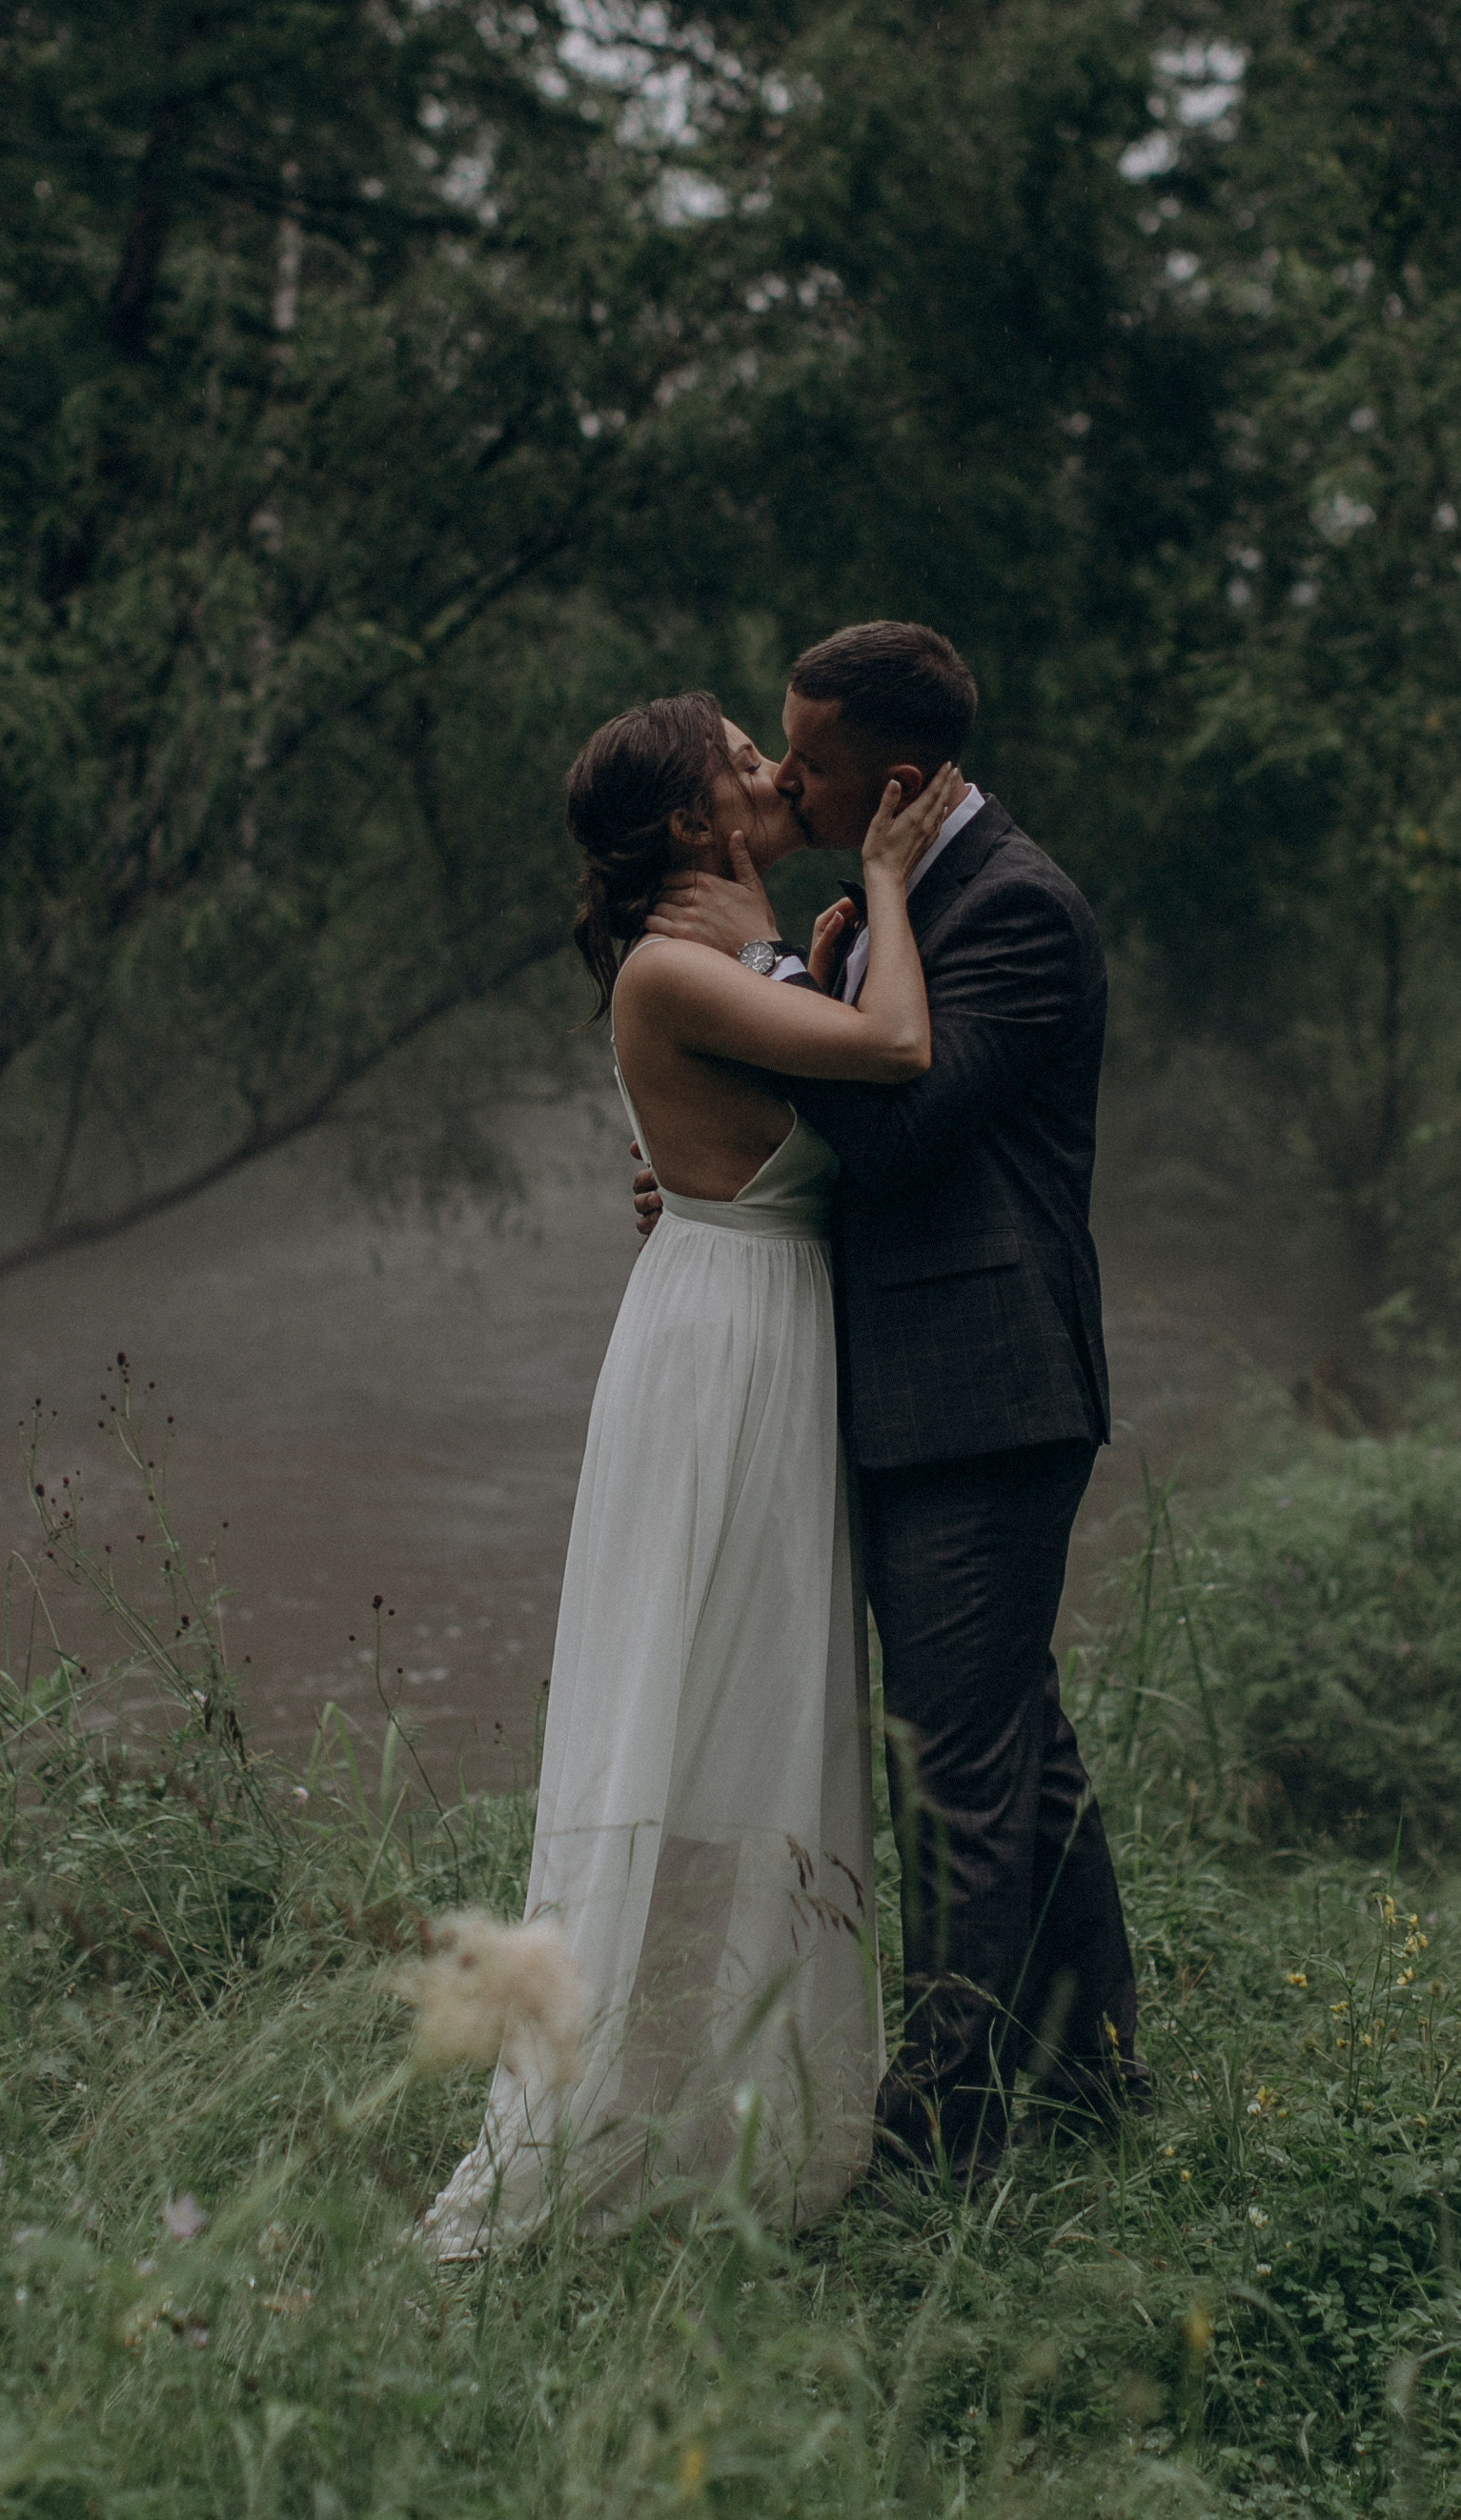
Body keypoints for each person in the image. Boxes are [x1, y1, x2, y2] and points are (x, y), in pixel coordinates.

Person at [418, 694, 965, 2256]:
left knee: (763, 1713)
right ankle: (599, 2129)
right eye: (742, 757)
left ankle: (733, 2112)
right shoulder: (672, 969)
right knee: (685, 1709)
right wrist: (902, 882)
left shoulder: (743, 959)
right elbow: (897, 1049)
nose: (772, 771)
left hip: (767, 1325)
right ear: (689, 824)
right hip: (720, 1351)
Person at [643, 620, 1148, 2182]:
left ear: (903, 782)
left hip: (987, 1398)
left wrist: (744, 1029)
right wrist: (715, 1177)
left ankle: (936, 2153)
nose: (784, 778)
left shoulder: (1013, 913)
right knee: (1011, 1751)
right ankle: (1095, 2090)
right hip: (909, 1392)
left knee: (955, 1775)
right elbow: (846, 1127)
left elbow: (904, 1129)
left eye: (809, 761)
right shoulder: (883, 910)